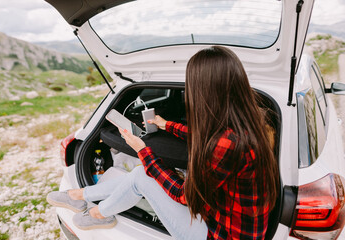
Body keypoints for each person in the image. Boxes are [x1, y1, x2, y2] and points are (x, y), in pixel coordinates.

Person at [47, 46, 279, 240]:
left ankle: (98, 212)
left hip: (221, 234)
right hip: (225, 216)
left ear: (205, 91)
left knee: (142, 174)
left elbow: (182, 194)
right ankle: (81, 196)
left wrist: (143, 151)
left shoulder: (227, 143)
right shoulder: (250, 122)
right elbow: (206, 135)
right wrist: (166, 124)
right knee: (144, 173)